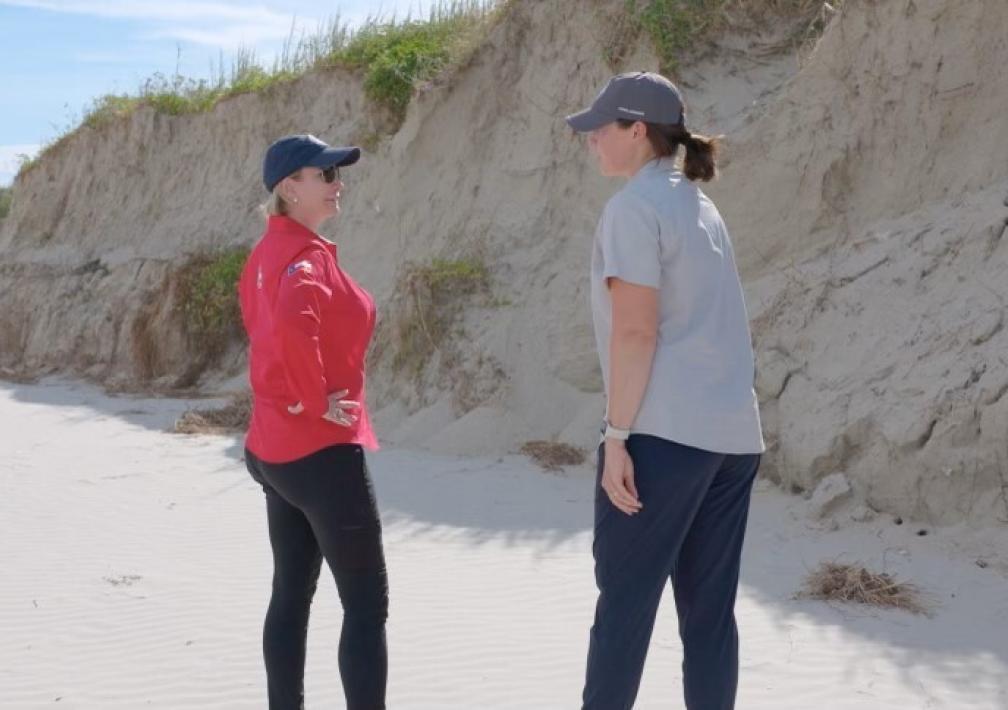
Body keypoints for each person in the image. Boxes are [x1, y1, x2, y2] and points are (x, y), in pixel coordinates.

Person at [566, 72, 766, 710]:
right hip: (733, 439)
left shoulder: (634, 208)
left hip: (663, 438)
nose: (592, 139)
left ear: (637, 131)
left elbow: (635, 332)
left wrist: (616, 436)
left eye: (603, 127)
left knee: (623, 612)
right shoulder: (700, 206)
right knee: (709, 620)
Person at [238, 133, 388, 710]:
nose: (336, 183)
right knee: (367, 605)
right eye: (322, 174)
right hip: (319, 453)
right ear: (288, 188)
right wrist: (312, 397)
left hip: (272, 451)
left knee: (291, 594)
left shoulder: (265, 253)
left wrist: (289, 397)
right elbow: (294, 327)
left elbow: (264, 334)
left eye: (335, 173)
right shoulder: (303, 259)